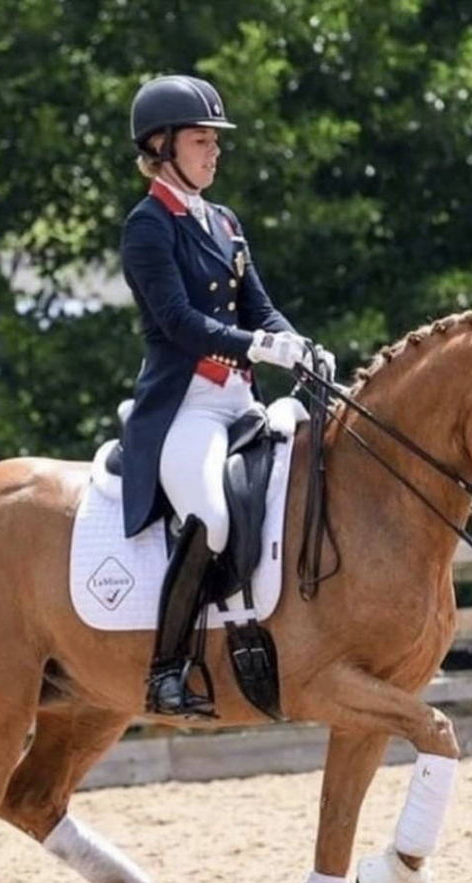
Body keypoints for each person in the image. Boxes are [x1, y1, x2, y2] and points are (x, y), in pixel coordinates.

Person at [120, 74, 329, 717]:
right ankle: (167, 670)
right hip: (187, 406)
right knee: (209, 517)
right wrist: (259, 348)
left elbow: (259, 307)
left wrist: (298, 344)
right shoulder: (148, 227)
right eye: (201, 140)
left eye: (216, 141)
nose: (214, 152)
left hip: (243, 402)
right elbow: (180, 322)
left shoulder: (225, 222)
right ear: (162, 145)